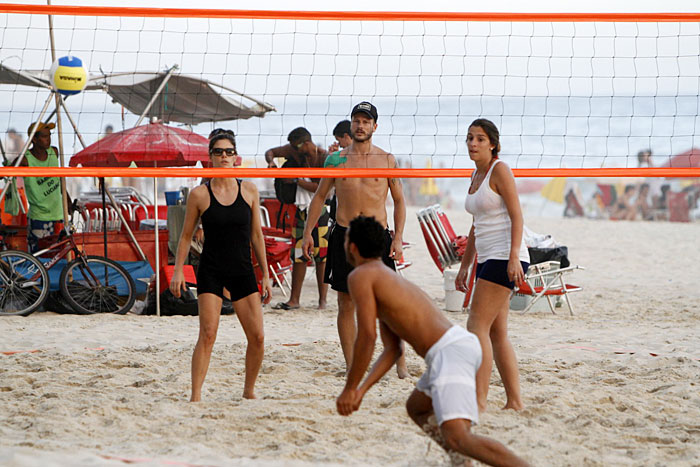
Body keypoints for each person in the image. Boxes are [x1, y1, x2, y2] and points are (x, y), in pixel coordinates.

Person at [336, 216, 529, 467]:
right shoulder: (384, 278)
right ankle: (461, 463)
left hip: (449, 352)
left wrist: (350, 388)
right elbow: (392, 350)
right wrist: (361, 391)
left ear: (352, 247)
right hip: (454, 347)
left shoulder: (360, 276)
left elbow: (366, 337)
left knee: (459, 437)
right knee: (417, 408)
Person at [301, 101, 408, 378]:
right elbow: (320, 198)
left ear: (375, 126)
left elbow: (399, 201)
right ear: (352, 124)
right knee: (346, 302)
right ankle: (352, 366)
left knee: (389, 304)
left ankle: (400, 361)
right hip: (345, 234)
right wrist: (307, 234)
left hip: (377, 236)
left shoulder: (387, 160)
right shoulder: (336, 160)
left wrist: (398, 239)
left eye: (366, 121)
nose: (360, 125)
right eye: (356, 120)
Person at [170, 129, 271, 402]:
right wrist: (178, 270)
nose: (224, 156)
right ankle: (195, 397)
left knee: (258, 337)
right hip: (212, 268)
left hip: (242, 269)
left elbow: (257, 235)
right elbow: (186, 236)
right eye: (218, 152)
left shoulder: (248, 190)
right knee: (208, 333)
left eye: (228, 151)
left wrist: (267, 273)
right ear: (210, 157)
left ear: (235, 157)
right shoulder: (199, 194)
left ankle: (248, 391)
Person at [455, 119, 530, 413]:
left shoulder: (500, 170)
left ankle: (479, 402)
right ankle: (514, 402)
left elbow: (517, 216)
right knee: (497, 333)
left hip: (505, 256)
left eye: (480, 139)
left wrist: (514, 256)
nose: (473, 144)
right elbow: (476, 225)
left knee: (476, 326)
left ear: (493, 144)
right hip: (486, 257)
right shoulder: (476, 174)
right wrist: (465, 265)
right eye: (470, 138)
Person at [268, 127, 330, 310]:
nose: (295, 151)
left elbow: (321, 190)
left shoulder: (324, 158)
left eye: (297, 148)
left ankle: (322, 300)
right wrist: (271, 162)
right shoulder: (294, 151)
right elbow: (270, 152)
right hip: (302, 210)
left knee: (322, 256)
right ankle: (294, 299)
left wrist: (295, 180)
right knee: (298, 253)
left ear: (307, 144)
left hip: (321, 210)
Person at [17, 122, 68, 253]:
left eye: (49, 135)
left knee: (59, 255)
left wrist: (67, 200)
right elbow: (8, 169)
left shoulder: (54, 152)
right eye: (44, 136)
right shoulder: (25, 160)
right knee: (38, 257)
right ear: (34, 139)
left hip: (58, 215)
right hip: (38, 218)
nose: (48, 139)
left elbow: (60, 179)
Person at [324, 120, 352, 224]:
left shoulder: (351, 156)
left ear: (346, 136)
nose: (339, 145)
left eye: (339, 141)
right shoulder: (340, 157)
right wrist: (334, 157)